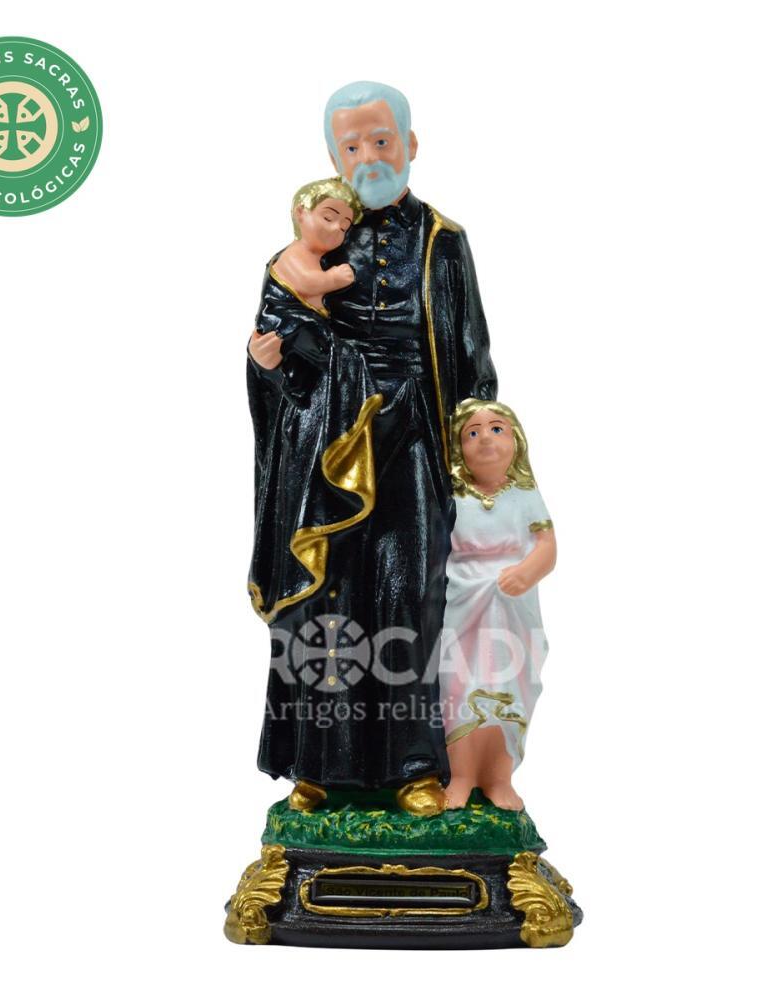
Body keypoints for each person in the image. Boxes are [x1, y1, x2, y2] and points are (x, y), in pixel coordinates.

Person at [247, 82, 498, 817]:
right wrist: (267, 365)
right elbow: (274, 339)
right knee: (326, 595)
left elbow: (470, 349)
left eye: (382, 140)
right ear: (334, 157)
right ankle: (318, 762)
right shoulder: (311, 242)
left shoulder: (443, 240)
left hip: (413, 434)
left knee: (408, 592)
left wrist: (478, 450)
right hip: (329, 438)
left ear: (410, 145)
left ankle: (414, 763)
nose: (369, 157)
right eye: (352, 146)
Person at [437, 399, 557, 811]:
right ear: (458, 449)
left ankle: (498, 778)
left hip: (511, 612)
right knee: (458, 687)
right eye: (472, 433)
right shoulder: (453, 498)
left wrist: (527, 572)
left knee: (510, 686)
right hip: (463, 608)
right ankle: (461, 775)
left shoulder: (525, 496)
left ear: (516, 440)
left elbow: (547, 547)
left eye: (496, 428)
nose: (485, 438)